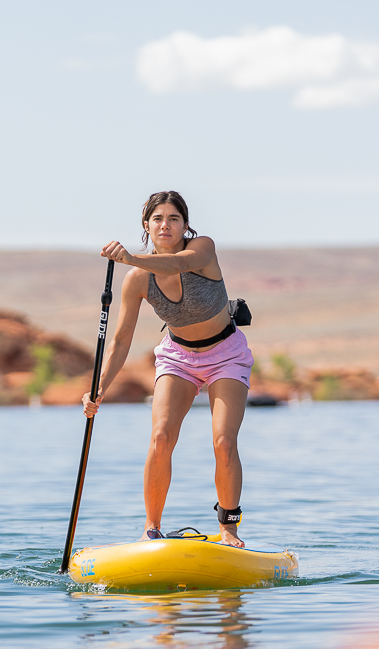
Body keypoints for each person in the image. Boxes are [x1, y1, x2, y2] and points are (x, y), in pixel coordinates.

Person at [82, 191, 253, 548]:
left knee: (223, 441)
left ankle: (229, 528)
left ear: (185, 225)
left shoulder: (203, 249)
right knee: (160, 436)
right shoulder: (137, 281)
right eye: (158, 219)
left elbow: (176, 265)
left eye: (174, 219)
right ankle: (151, 527)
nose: (166, 225)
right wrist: (99, 389)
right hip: (178, 358)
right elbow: (120, 341)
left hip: (226, 354)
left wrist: (130, 257)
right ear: (147, 225)